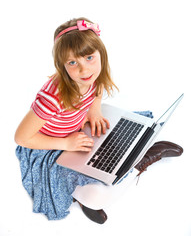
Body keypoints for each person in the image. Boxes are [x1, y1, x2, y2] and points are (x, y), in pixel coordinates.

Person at [14, 17, 183, 224]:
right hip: (49, 147)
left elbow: (97, 89)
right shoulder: (52, 98)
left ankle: (115, 171)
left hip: (77, 132)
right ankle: (140, 162)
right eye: (73, 62)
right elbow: (22, 138)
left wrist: (94, 111)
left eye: (89, 58)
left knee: (120, 143)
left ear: (100, 54)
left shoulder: (93, 74)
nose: (84, 70)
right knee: (96, 196)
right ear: (62, 66)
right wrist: (66, 143)